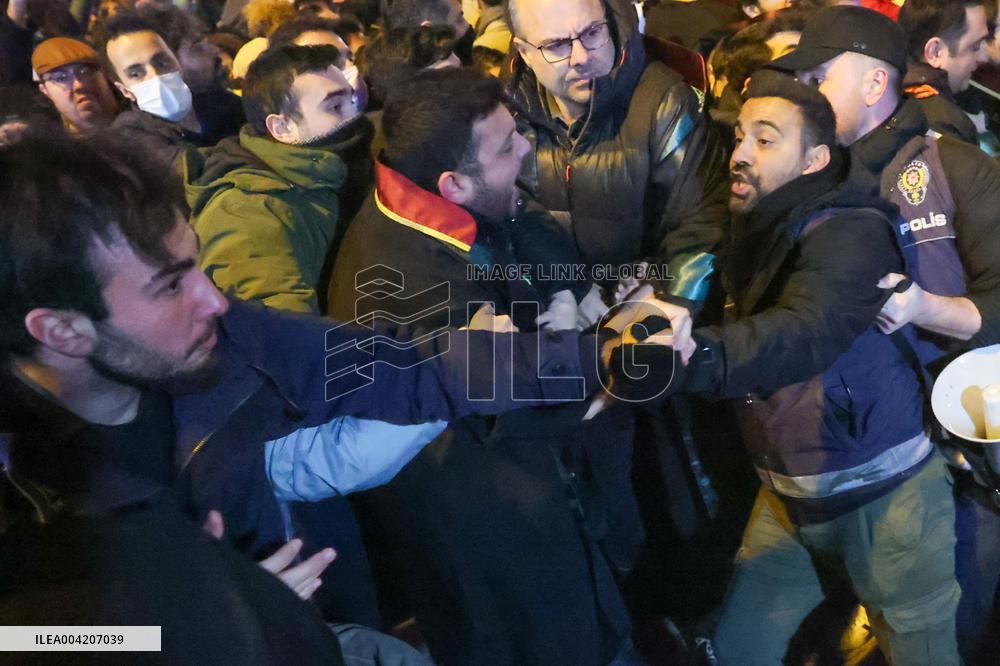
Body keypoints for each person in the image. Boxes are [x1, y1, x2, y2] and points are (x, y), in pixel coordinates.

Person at [0, 130, 655, 663]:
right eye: (170, 286)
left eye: (197, 262)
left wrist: (594, 354)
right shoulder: (25, 499)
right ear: (60, 329)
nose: (215, 299)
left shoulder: (232, 342)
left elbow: (412, 368)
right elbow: (30, 638)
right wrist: (227, 609)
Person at [611, 68, 960, 665]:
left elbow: (804, 331)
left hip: (887, 499)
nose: (740, 155)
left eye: (765, 141)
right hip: (789, 497)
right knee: (736, 650)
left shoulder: (851, 229)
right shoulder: (751, 225)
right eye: (740, 137)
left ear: (813, 160)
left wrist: (699, 357)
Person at [329, 67, 667, 665]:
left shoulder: (434, 215)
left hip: (536, 514)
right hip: (504, 558)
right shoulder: (401, 284)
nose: (526, 150)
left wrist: (589, 304)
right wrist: (613, 354)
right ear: (453, 183)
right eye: (508, 145)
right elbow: (512, 402)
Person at [771, 5, 1000, 662]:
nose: (803, 95)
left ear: (875, 85)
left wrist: (923, 307)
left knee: (960, 619)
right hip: (861, 460)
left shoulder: (954, 167)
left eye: (819, 77)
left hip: (960, 457)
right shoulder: (804, 177)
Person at [185, 45, 372, 315]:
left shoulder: (339, 171)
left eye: (352, 101)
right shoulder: (246, 213)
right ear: (282, 128)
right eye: (334, 106)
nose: (353, 117)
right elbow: (286, 335)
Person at [102, 14, 217, 167]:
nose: (155, 76)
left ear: (178, 62)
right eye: (136, 74)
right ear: (125, 90)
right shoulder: (129, 133)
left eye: (162, 63)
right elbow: (189, 170)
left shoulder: (218, 101)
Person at [898, 0, 991, 144]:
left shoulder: (887, 93)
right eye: (975, 46)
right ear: (935, 52)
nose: (983, 57)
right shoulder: (947, 126)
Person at [32, 36, 119, 134]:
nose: (79, 85)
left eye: (86, 72)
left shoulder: (137, 121)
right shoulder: (52, 146)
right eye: (61, 78)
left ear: (105, 74)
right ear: (45, 91)